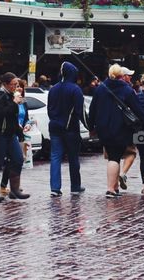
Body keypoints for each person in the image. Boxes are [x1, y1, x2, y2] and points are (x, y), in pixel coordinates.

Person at [88, 64, 144, 198]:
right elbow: (138, 109)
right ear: (121, 75)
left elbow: (92, 110)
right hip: (121, 128)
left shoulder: (100, 89)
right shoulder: (127, 90)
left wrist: (91, 127)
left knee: (113, 156)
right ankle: (111, 189)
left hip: (103, 128)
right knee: (115, 158)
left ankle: (115, 187)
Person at [0, 72, 29, 202]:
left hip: (10, 135)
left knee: (18, 159)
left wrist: (19, 133)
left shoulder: (11, 95)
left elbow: (13, 118)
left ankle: (15, 190)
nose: (16, 87)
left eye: (17, 84)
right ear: (6, 84)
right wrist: (14, 102)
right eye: (14, 84)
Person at [47, 61, 86, 197]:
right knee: (73, 158)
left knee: (55, 157)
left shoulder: (53, 89)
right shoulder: (75, 89)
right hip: (70, 128)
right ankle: (75, 186)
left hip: (54, 127)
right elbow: (80, 112)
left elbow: (49, 110)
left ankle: (55, 188)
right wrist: (90, 126)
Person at [0, 79, 32, 196]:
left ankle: (15, 186)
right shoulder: (9, 100)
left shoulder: (23, 102)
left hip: (21, 134)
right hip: (11, 133)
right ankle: (4, 186)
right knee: (11, 160)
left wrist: (28, 124)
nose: (19, 88)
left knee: (19, 160)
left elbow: (26, 117)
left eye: (20, 86)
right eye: (16, 86)